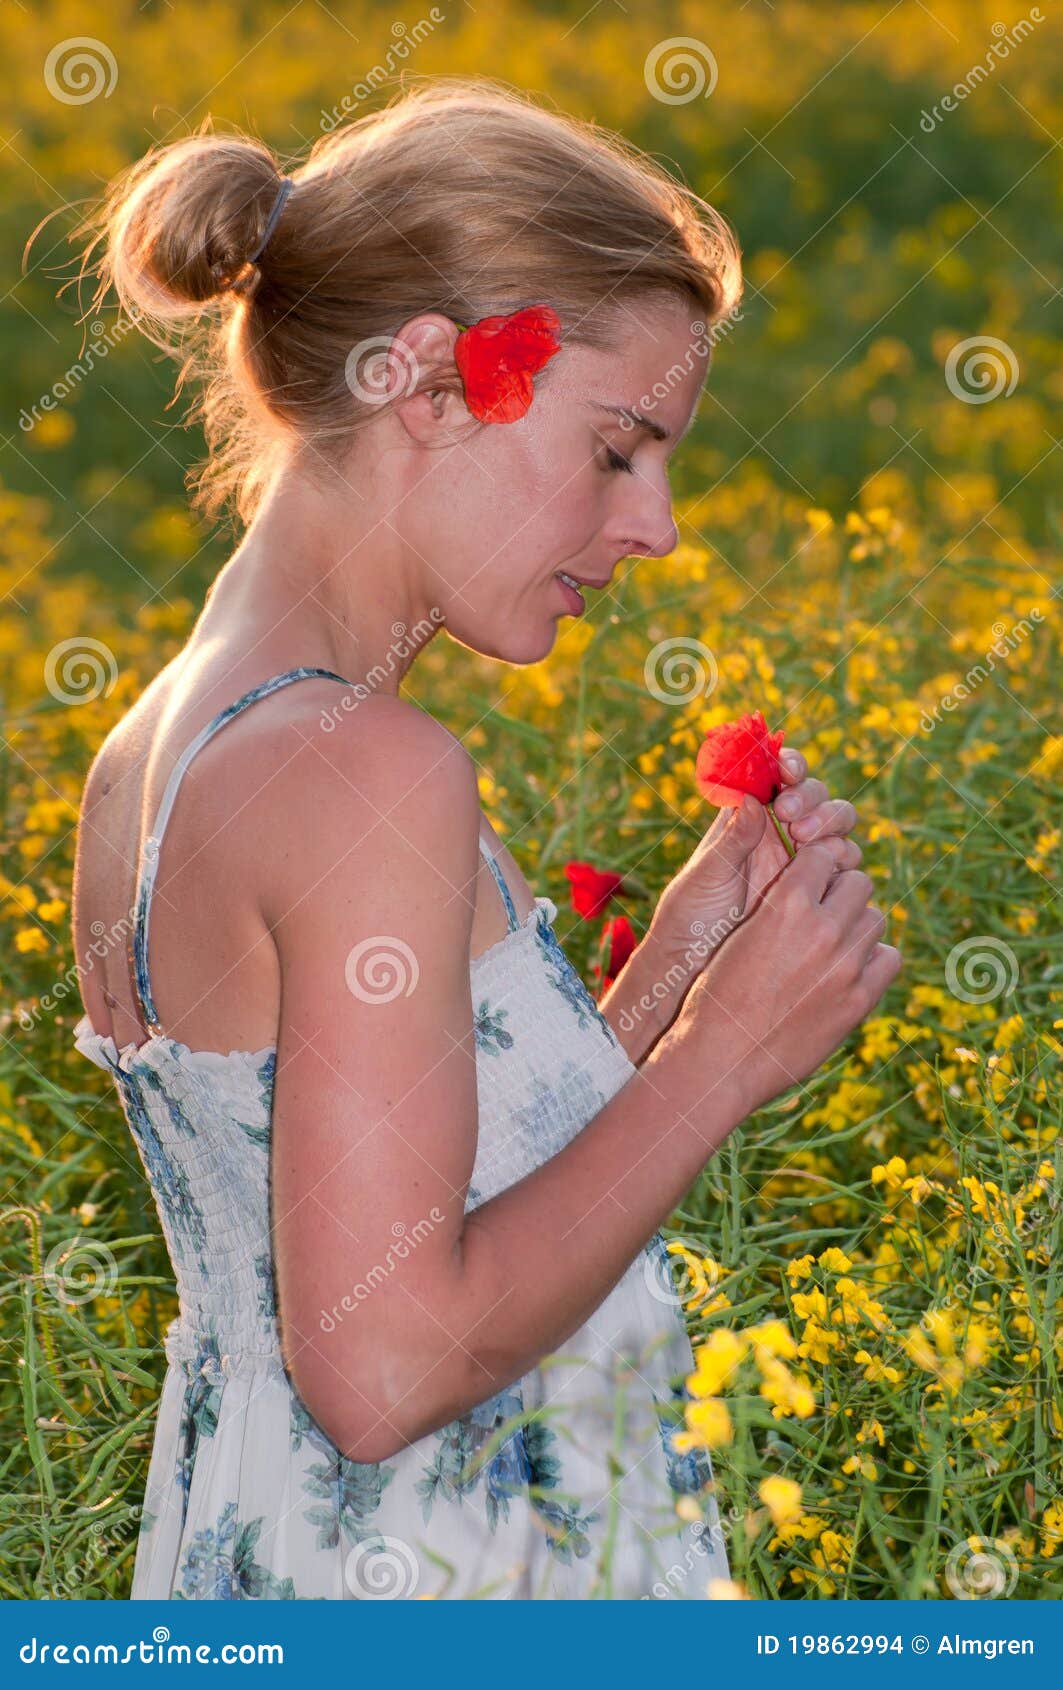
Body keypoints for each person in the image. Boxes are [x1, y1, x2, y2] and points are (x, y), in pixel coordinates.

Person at [69, 78, 901, 1600]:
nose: (656, 525)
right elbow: (387, 1363)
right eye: (616, 450)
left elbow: (390, 1203)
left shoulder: (161, 745)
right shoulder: (364, 766)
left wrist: (667, 983)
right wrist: (729, 1057)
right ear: (433, 388)